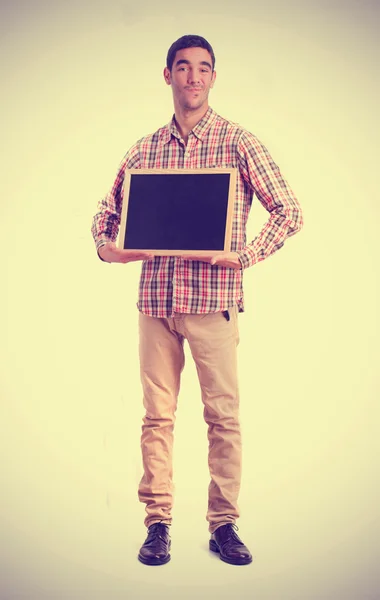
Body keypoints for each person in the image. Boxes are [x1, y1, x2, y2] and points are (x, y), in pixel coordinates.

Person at [91, 34, 303, 566]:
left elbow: (289, 212)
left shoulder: (238, 143)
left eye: (203, 69)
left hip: (213, 301)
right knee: (156, 417)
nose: (193, 77)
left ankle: (224, 525)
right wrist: (109, 251)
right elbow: (104, 214)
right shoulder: (144, 150)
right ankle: (157, 523)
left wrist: (245, 255)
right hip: (156, 303)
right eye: (183, 68)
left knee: (223, 417)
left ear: (213, 77)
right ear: (167, 76)